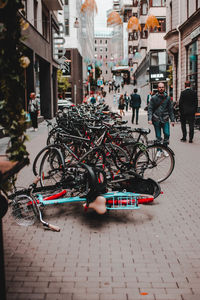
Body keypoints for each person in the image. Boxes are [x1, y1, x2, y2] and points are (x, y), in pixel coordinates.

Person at [148, 82, 175, 152]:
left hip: (165, 119)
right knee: (158, 136)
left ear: (164, 88)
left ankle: (165, 148)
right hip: (156, 119)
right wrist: (150, 119)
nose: (161, 88)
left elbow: (170, 110)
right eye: (160, 87)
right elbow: (150, 109)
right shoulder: (153, 98)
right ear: (157, 88)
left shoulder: (168, 98)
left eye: (162, 87)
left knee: (167, 134)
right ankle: (159, 150)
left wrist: (172, 120)